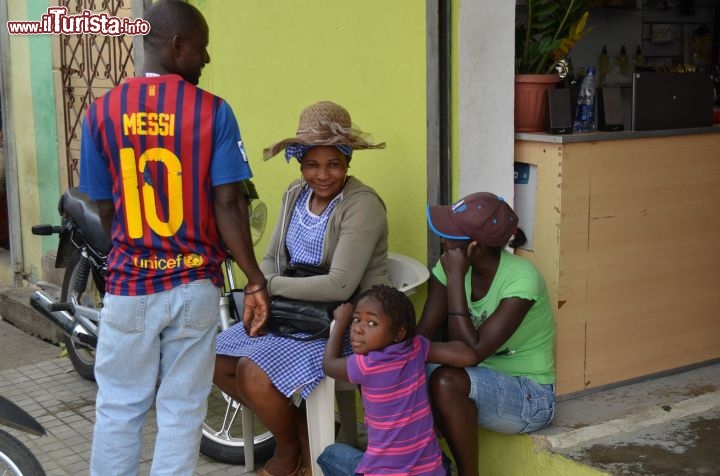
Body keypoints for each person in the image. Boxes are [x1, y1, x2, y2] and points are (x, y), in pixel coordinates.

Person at [77, 1, 269, 474]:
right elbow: (229, 204)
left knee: (119, 407)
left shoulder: (99, 114)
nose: (207, 59)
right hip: (192, 291)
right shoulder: (214, 113)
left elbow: (104, 208)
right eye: (202, 49)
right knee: (183, 412)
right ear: (176, 44)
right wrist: (255, 278)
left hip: (128, 288)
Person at [213, 100, 391, 476]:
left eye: (333, 164)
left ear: (347, 162)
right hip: (292, 314)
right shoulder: (295, 194)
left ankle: (288, 454)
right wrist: (264, 283)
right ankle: (301, 440)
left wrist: (267, 286)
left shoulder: (362, 205)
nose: (322, 175)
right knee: (213, 360)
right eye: (312, 164)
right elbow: (271, 257)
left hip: (343, 325)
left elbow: (339, 285)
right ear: (299, 163)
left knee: (252, 370)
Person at [418, 192, 556, 476]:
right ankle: (428, 464)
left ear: (475, 248)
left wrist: (457, 279)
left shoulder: (522, 280)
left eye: (450, 235)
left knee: (445, 380)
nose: (443, 240)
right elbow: (424, 334)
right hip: (476, 378)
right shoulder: (446, 268)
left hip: (530, 395)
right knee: (388, 366)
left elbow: (470, 352)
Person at [318, 285, 477, 476]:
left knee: (330, 454)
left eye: (371, 323)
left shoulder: (365, 366)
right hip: (432, 471)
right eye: (356, 319)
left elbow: (329, 364)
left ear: (399, 333)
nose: (358, 329)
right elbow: (466, 355)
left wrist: (341, 321)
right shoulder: (416, 347)